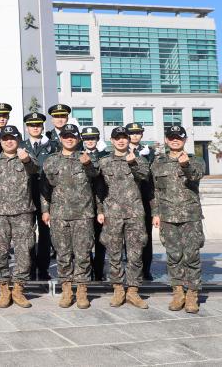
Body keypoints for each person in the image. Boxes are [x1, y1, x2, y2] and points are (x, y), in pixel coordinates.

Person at [0, 125, 38, 308]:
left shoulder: (26, 157)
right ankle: (4, 289)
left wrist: (26, 159)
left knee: (24, 252)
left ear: (18, 140)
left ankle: (19, 289)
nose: (9, 141)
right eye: (5, 138)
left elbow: (35, 169)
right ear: (1, 141)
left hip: (23, 213)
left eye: (12, 138)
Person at [41, 124, 98, 309]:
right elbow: (45, 188)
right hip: (59, 214)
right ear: (61, 138)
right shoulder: (51, 160)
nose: (69, 138)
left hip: (83, 214)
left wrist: (88, 163)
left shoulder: (87, 157)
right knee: (63, 254)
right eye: (66, 135)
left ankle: (82, 290)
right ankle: (66, 289)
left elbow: (97, 177)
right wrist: (45, 210)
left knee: (83, 254)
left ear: (78, 138)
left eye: (73, 135)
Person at [151, 125, 206, 314]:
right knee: (173, 256)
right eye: (172, 137)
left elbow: (196, 176)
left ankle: (192, 294)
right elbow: (156, 191)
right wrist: (156, 213)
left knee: (191, 255)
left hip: (190, 216)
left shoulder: (195, 160)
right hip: (167, 216)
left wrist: (185, 165)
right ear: (166, 140)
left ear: (185, 140)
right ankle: (178, 292)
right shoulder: (158, 163)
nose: (175, 140)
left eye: (179, 137)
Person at [96, 127, 150, 309]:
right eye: (117, 138)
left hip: (134, 213)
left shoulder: (139, 160)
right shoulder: (104, 162)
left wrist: (133, 163)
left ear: (129, 140)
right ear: (112, 141)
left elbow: (145, 176)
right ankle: (118, 289)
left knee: (135, 253)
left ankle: (133, 291)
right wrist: (100, 210)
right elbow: (99, 189)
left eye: (124, 138)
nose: (121, 141)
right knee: (114, 252)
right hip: (113, 214)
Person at [20, 112, 55, 280]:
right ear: (27, 128)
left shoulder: (53, 146)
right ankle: (29, 267)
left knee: (45, 232)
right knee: (27, 232)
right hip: (25, 193)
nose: (35, 127)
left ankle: (43, 269)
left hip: (46, 193)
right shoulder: (20, 145)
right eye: (32, 125)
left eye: (38, 125)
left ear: (42, 127)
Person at [126, 122, 156, 281]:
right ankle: (130, 268)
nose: (135, 136)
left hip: (145, 197)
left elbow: (152, 174)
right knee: (127, 235)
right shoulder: (120, 151)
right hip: (126, 199)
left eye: (138, 133)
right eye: (131, 133)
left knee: (146, 236)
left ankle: (146, 269)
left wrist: (143, 157)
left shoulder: (149, 152)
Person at [81, 126, 109, 281]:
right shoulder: (78, 155)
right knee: (84, 239)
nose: (89, 141)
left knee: (100, 239)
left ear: (97, 140)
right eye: (86, 139)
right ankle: (87, 269)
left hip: (101, 200)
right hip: (82, 203)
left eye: (92, 138)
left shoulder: (105, 156)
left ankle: (98, 271)